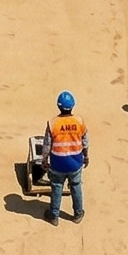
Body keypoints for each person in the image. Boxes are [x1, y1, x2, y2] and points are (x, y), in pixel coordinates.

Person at [44, 91, 89, 222]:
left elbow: (47, 144)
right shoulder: (80, 122)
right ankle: (78, 214)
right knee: (76, 186)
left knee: (57, 187)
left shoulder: (53, 123)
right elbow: (85, 142)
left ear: (58, 106)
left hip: (58, 163)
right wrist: (86, 157)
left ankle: (54, 215)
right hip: (75, 163)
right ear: (72, 106)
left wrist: (44, 159)